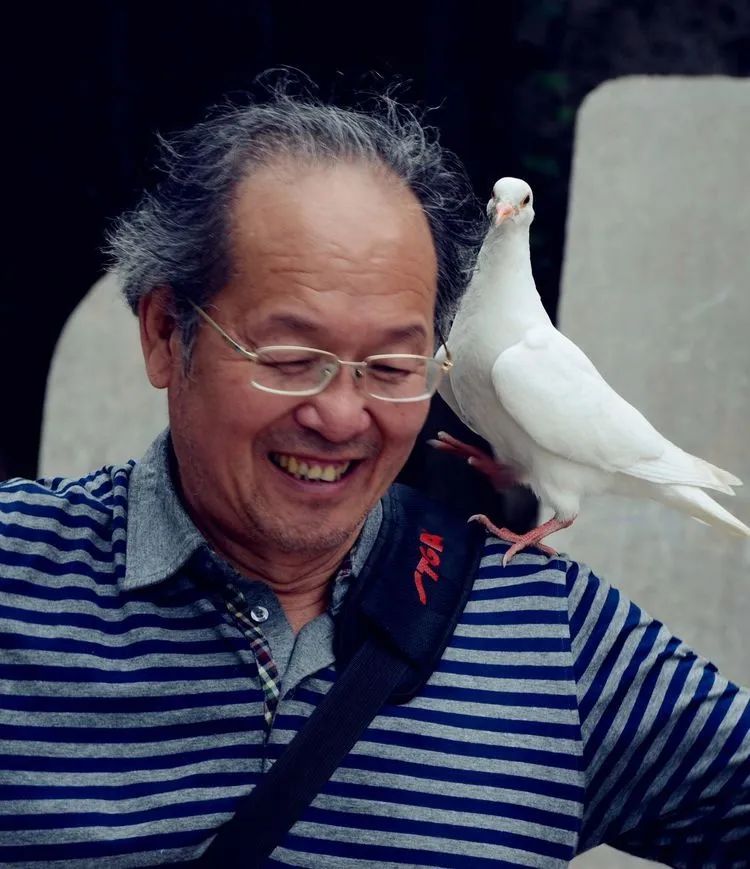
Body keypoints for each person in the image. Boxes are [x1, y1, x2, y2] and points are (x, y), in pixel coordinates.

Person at [1, 82, 748, 868]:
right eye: (291, 357)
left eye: (392, 367)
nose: (340, 416)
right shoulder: (17, 574)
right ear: (164, 334)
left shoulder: (554, 632)